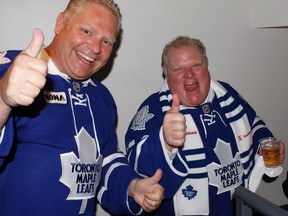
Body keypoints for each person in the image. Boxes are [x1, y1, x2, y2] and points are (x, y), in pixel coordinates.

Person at [0, 0, 164, 215]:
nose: (96, 48)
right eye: (87, 31)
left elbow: (105, 162)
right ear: (60, 23)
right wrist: (3, 100)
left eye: (106, 42)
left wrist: (131, 186)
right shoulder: (12, 70)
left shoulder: (102, 97)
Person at [125, 36, 285, 216]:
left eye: (196, 65)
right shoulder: (153, 109)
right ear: (166, 75)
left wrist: (265, 142)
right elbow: (135, 161)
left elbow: (253, 122)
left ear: (207, 65)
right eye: (178, 69)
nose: (189, 74)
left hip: (238, 208)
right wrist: (165, 141)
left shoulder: (227, 94)